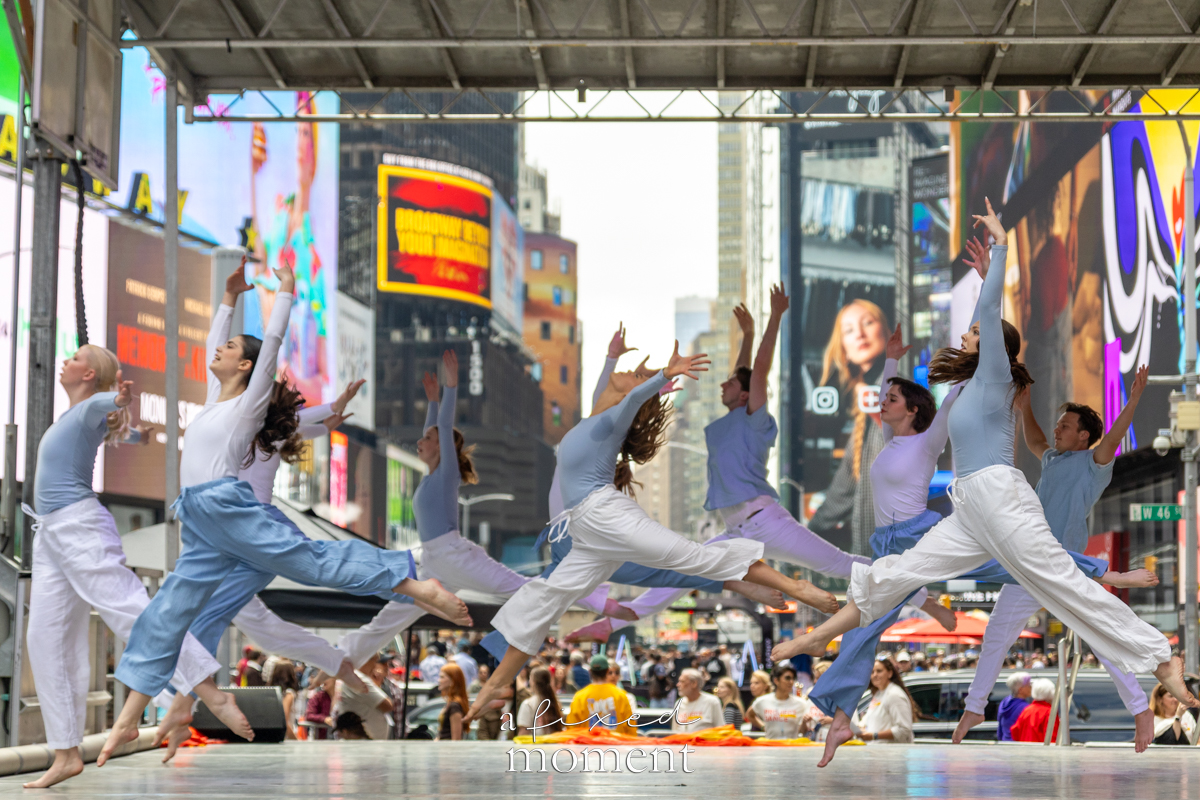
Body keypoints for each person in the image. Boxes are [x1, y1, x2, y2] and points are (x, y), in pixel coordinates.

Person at [767, 201, 1197, 749]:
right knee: (899, 571)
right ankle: (819, 638)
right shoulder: (970, 386)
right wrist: (982, 274)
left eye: (977, 331)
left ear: (996, 347)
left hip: (999, 494)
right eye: (972, 330)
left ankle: (1160, 657)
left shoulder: (996, 376)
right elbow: (984, 318)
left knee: (1059, 583)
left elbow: (991, 312)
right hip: (970, 505)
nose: (970, 333)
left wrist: (1000, 248)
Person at [99, 261, 470, 765]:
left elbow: (270, 348)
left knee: (312, 563)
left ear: (248, 368)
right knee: (170, 612)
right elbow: (219, 347)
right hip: (203, 521)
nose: (220, 350)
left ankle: (413, 583)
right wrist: (228, 298)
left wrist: (288, 292)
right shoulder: (213, 402)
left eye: (231, 348)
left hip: (228, 511)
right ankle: (140, 715)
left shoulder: (247, 408)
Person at [465, 339, 824, 724]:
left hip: (605, 514)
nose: (628, 373)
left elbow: (633, 397)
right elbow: (609, 390)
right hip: (585, 535)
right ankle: (497, 684)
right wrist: (612, 357)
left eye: (633, 375)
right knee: (542, 598)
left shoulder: (611, 421)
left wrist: (660, 377)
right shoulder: (594, 417)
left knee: (692, 557)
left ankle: (794, 586)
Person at [571, 291, 856, 642]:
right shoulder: (732, 419)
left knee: (840, 565)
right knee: (683, 571)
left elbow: (758, 370)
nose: (723, 383)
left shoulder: (755, 420)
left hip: (766, 522)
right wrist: (747, 335)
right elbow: (744, 373)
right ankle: (611, 624)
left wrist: (775, 317)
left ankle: (908, 580)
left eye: (730, 384)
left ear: (746, 394)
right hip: (735, 530)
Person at [19, 345, 235, 789]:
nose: (66, 360)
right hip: (52, 535)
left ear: (89, 374)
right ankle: (66, 752)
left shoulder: (88, 410)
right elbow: (115, 419)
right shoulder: (78, 416)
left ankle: (206, 687)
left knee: (129, 610)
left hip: (78, 528)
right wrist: (130, 424)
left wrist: (118, 399)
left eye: (76, 356)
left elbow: (106, 404)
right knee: (45, 637)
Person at [956, 361, 1158, 749]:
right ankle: (975, 706)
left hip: (1065, 567)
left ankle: (1140, 709)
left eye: (1065, 426)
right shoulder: (1052, 459)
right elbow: (1035, 440)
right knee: (996, 634)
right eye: (1059, 425)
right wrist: (1024, 407)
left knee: (1101, 638)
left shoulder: (1094, 464)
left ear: (1084, 437)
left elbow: (1114, 437)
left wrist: (1133, 399)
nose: (1057, 430)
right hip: (1028, 562)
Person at [807, 297, 891, 556]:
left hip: (892, 551)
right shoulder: (866, 396)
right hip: (875, 551)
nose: (860, 334)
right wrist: (806, 535)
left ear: (885, 330)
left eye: (868, 323)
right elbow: (844, 488)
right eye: (849, 330)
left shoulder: (895, 385)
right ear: (842, 346)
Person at [565, 655, 637, 736]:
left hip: (588, 743)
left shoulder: (580, 697)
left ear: (590, 672)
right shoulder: (621, 695)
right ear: (607, 671)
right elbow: (631, 728)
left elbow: (571, 729)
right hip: (614, 743)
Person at [852, 658, 914, 744]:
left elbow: (904, 729)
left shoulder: (894, 695)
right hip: (876, 750)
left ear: (890, 673)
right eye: (872, 672)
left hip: (892, 751)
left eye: (879, 671)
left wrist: (874, 736)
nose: (875, 675)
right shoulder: (878, 694)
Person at [746, 663, 812, 740]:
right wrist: (763, 726)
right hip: (771, 745)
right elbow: (750, 714)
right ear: (776, 680)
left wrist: (804, 723)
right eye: (787, 678)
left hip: (791, 746)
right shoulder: (763, 701)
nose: (791, 682)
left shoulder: (801, 703)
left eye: (793, 679)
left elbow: (803, 731)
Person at [335, 664, 394, 741]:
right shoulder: (358, 677)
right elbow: (388, 705)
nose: (375, 668)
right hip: (359, 740)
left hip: (366, 739)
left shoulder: (355, 676)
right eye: (375, 662)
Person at [670, 668, 725, 734]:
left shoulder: (712, 702)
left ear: (694, 683)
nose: (678, 685)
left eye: (682, 682)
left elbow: (720, 729)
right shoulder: (679, 703)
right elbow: (674, 731)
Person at [516, 666, 564, 738]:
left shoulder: (528, 704)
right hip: (553, 743)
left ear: (533, 682)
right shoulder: (556, 703)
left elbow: (523, 733)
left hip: (534, 743)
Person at [1010, 678, 1059, 743]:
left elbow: (1015, 731)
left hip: (1025, 748)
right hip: (1041, 749)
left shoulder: (1027, 710)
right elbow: (1052, 738)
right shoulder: (1050, 712)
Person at [995, 672, 1032, 742]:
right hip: (1018, 745)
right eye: (1029, 685)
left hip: (1004, 742)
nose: (1031, 687)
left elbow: (1000, 729)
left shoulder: (1004, 702)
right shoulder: (1025, 708)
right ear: (1020, 690)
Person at [437, 663, 470, 740]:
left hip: (448, 747)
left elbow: (456, 739)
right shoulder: (451, 703)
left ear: (452, 681)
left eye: (442, 677)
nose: (439, 680)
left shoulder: (455, 705)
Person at [270, 661, 302, 740]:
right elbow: (284, 721)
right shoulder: (288, 695)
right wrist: (296, 740)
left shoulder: (270, 693)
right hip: (286, 738)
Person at [304, 671, 336, 741]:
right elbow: (309, 715)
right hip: (323, 740)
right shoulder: (318, 697)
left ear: (335, 679)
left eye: (326, 678)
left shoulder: (342, 697)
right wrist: (324, 719)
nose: (323, 681)